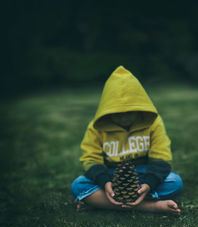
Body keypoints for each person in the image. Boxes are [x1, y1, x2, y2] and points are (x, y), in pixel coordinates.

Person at [71, 66, 183, 214]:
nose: (124, 118)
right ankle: (152, 206)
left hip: (144, 175)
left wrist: (149, 184)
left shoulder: (153, 122)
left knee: (174, 182)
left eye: (130, 112)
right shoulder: (96, 127)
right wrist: (105, 183)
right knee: (78, 185)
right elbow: (91, 159)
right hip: (110, 177)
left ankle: (101, 203)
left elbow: (161, 157)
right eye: (117, 113)